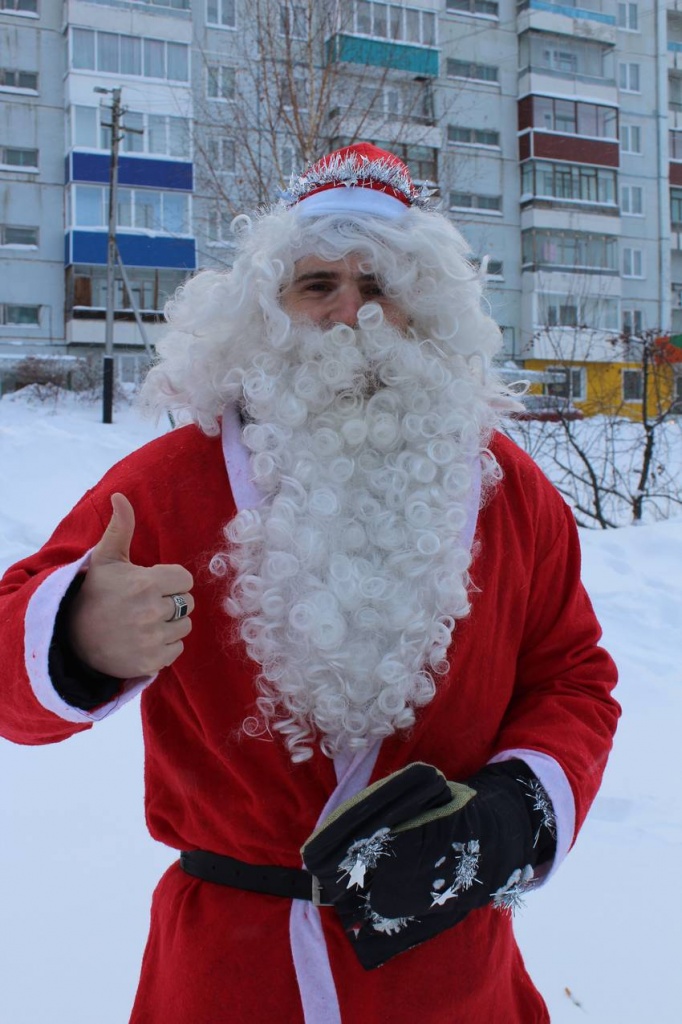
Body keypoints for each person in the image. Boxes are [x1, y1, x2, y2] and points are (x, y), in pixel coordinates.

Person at [0, 143, 619, 1022]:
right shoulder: (168, 484)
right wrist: (75, 635)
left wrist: (516, 813)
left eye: (379, 289)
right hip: (227, 976)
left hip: (452, 975)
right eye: (318, 286)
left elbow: (573, 678)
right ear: (267, 313)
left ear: (426, 312)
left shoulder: (510, 491)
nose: (350, 316)